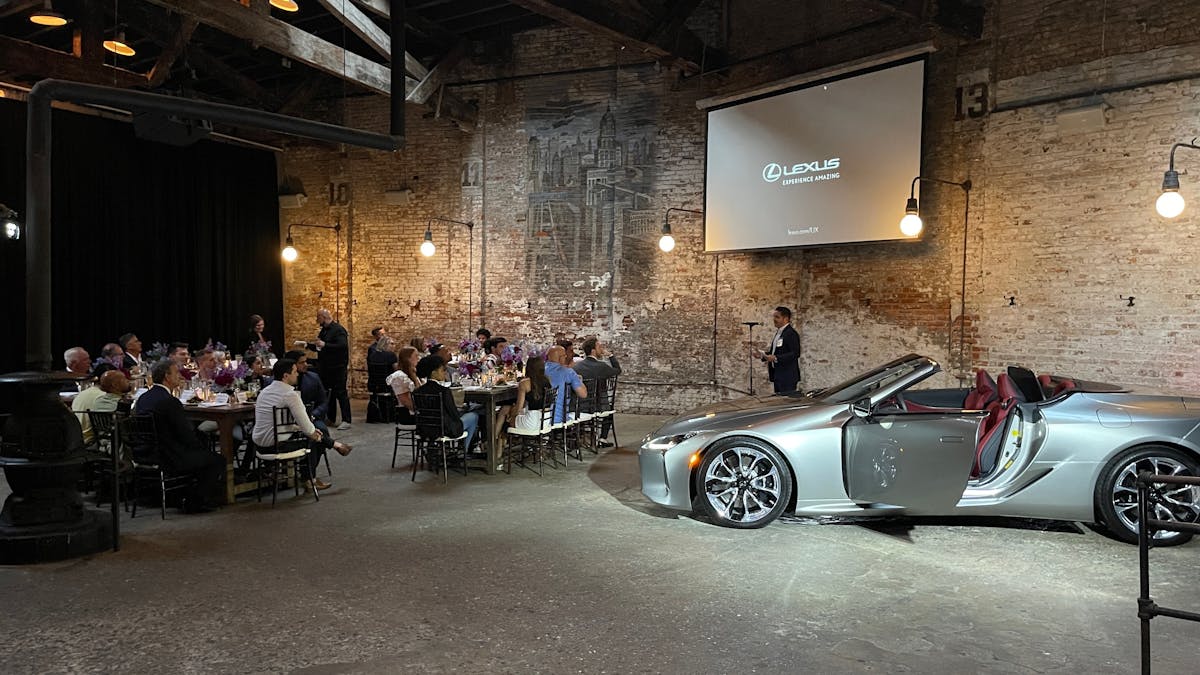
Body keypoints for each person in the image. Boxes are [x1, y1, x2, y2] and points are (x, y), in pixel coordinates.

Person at [132, 360, 225, 513]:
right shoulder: (169, 401)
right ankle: (196, 501)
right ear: (167, 376)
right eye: (176, 373)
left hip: (145, 451)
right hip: (168, 456)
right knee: (216, 460)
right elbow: (185, 434)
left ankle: (182, 495)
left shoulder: (144, 398)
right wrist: (200, 445)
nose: (180, 376)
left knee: (203, 451)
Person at [252, 358, 351, 492]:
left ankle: (336, 446)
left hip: (258, 444)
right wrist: (314, 434)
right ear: (286, 376)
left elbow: (282, 423)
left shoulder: (265, 392)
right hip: (275, 445)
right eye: (294, 372)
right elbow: (307, 427)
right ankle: (309, 480)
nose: (297, 374)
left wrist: (308, 430)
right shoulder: (290, 394)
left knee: (315, 433)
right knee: (314, 439)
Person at [413, 354, 479, 452]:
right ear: (434, 373)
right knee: (473, 416)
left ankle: (454, 450)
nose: (445, 373)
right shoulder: (444, 391)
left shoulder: (418, 391)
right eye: (442, 370)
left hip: (425, 428)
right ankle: (463, 450)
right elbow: (453, 413)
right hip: (443, 428)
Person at [300, 308, 351, 429]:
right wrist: (307, 345)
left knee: (340, 392)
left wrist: (325, 344)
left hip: (338, 367)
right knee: (328, 393)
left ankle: (346, 420)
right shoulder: (323, 331)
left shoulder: (338, 330)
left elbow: (342, 345)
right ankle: (331, 418)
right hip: (326, 367)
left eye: (318, 317)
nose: (317, 320)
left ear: (324, 317)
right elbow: (321, 347)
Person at [573, 337, 621, 447]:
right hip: (599, 405)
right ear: (593, 350)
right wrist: (610, 356)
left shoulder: (577, 367)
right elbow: (618, 370)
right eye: (599, 347)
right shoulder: (601, 366)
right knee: (609, 411)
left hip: (581, 405)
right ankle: (602, 438)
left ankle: (582, 435)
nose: (602, 350)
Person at [72, 369, 131, 444]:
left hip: (101, 442)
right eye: (124, 379)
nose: (128, 381)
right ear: (115, 385)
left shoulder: (98, 401)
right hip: (119, 443)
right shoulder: (119, 405)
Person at [753, 306, 801, 394]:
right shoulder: (779, 333)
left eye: (777, 317)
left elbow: (795, 353)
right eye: (774, 317)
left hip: (787, 377)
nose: (774, 319)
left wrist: (776, 358)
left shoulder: (791, 333)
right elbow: (775, 352)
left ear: (786, 318)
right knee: (779, 401)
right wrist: (762, 356)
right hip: (778, 375)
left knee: (785, 403)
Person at [507, 356, 552, 430]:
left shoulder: (524, 383)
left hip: (531, 421)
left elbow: (519, 408)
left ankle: (496, 438)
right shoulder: (547, 380)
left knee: (509, 421)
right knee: (507, 411)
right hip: (545, 421)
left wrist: (511, 416)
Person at [544, 345, 587, 424]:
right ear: (560, 358)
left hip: (541, 418)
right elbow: (583, 394)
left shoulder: (539, 370)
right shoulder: (568, 372)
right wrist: (579, 379)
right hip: (560, 418)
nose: (566, 356)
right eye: (564, 355)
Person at [285, 349, 329, 422]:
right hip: (286, 419)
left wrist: (313, 415)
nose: (306, 365)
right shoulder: (282, 380)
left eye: (306, 361)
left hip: (311, 418)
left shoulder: (313, 378)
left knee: (322, 431)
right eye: (301, 363)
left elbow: (323, 402)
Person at [386, 346, 422, 424]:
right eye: (416, 356)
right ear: (408, 359)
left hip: (417, 409)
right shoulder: (400, 376)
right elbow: (405, 400)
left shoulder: (413, 374)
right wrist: (420, 411)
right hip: (407, 413)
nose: (418, 358)